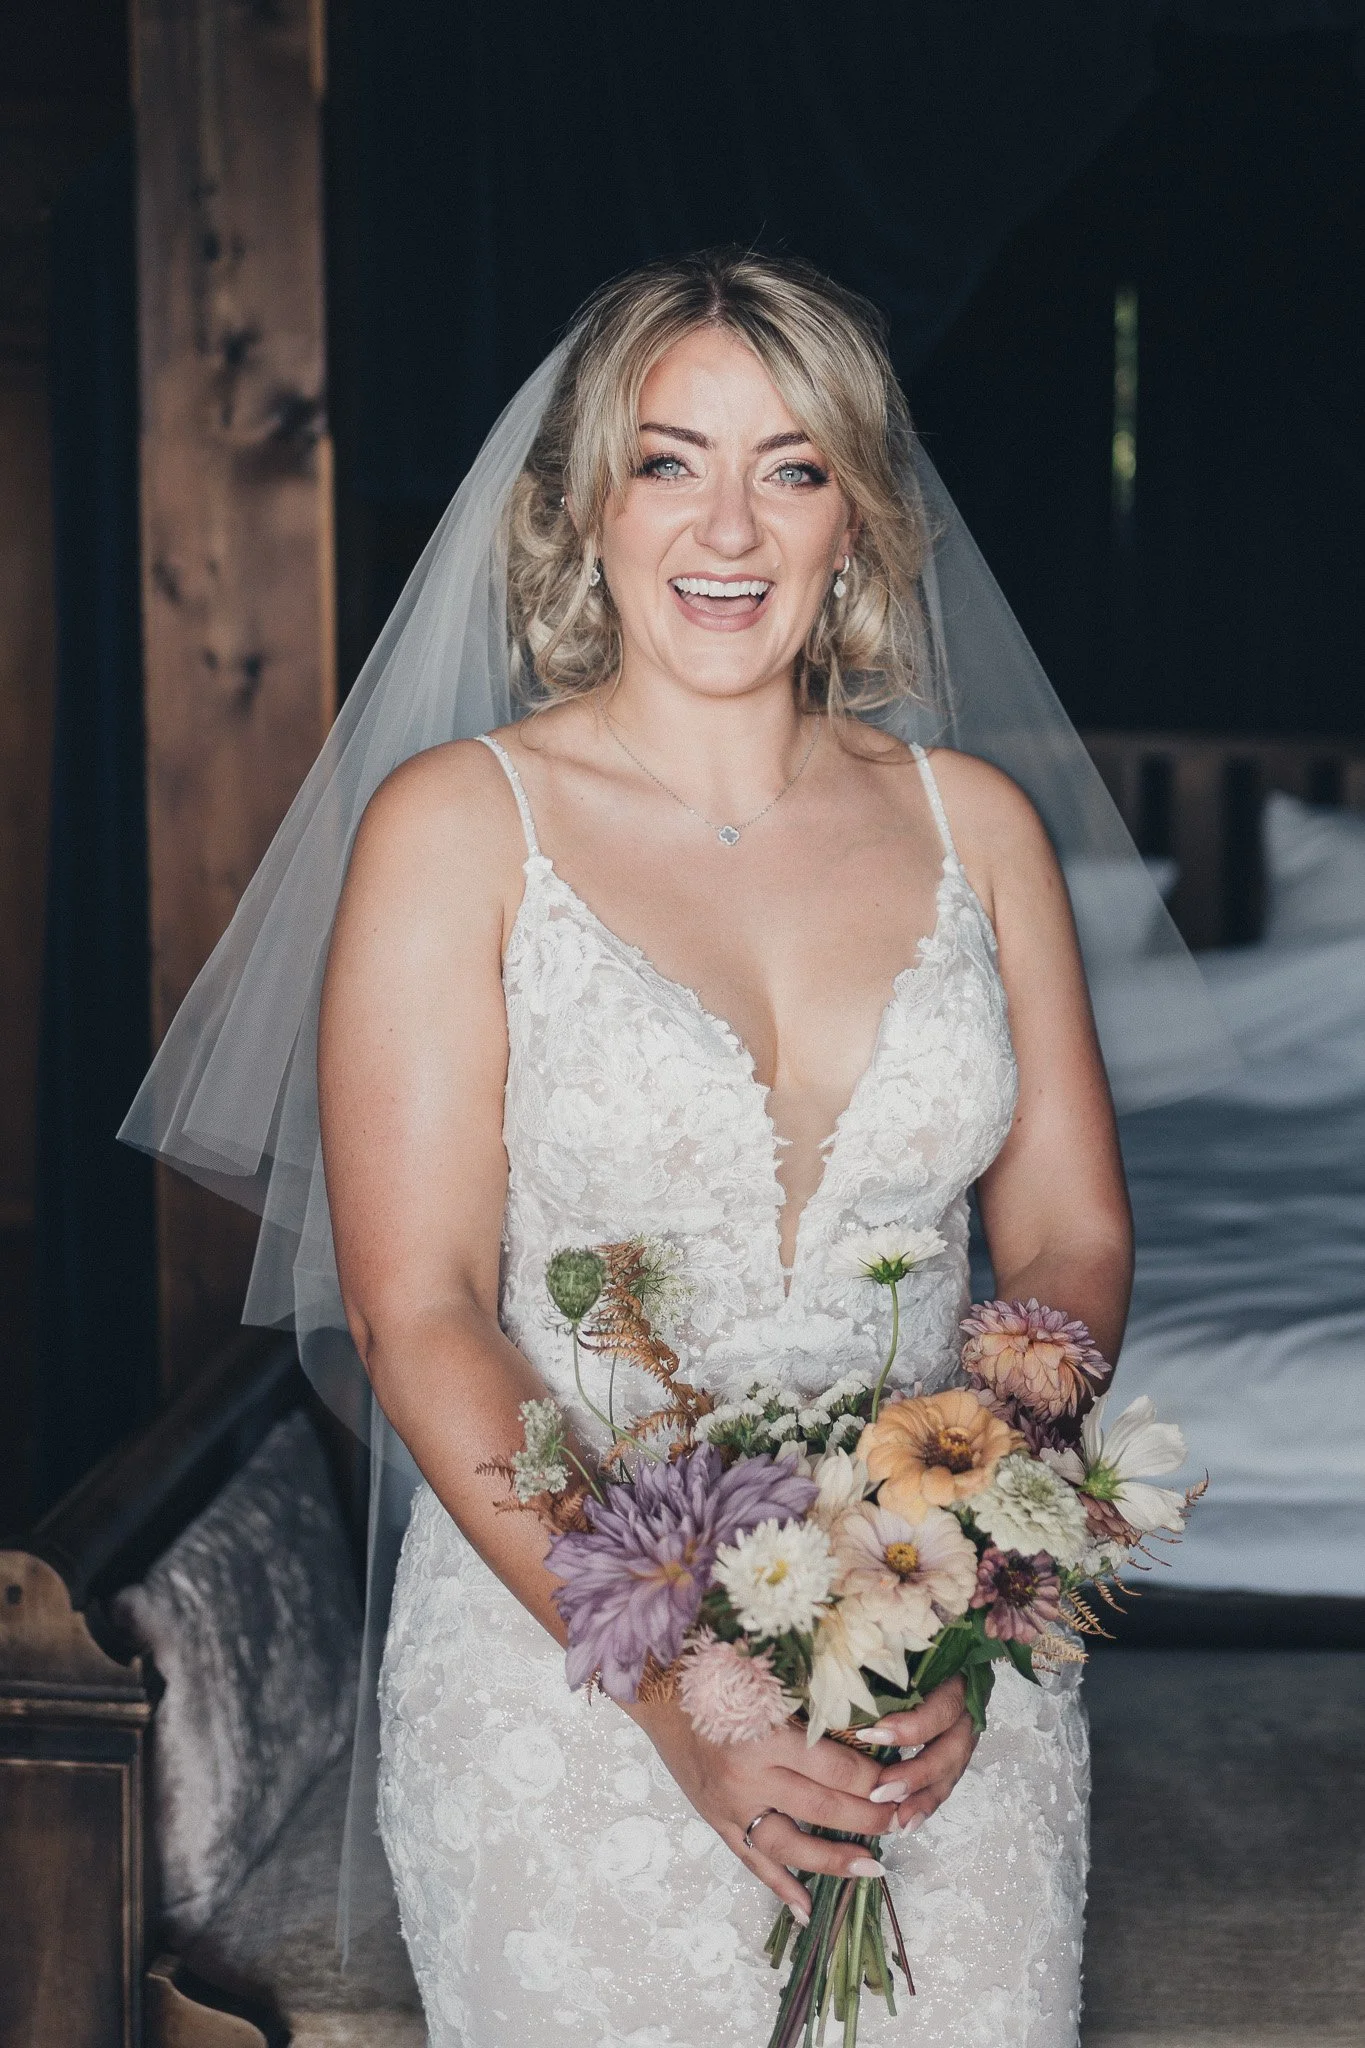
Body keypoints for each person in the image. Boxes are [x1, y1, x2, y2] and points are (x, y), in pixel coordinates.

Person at [316, 252, 1131, 2047]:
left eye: (793, 465)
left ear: (857, 513)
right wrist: (679, 1685)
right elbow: (424, 1311)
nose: (731, 527)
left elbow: (1070, 1238)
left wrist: (969, 1570)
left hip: (931, 1692)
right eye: (669, 461)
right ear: (581, 509)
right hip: (572, 1677)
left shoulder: (975, 829)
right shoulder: (456, 830)